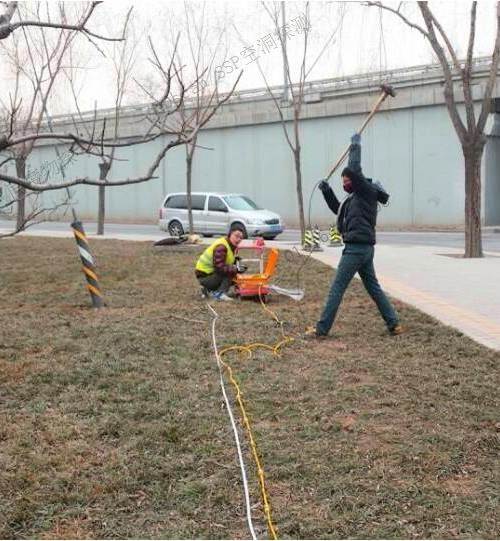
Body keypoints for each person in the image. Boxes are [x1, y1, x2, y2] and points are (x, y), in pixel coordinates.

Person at [307, 133, 403, 338]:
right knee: (374, 288)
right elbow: (337, 209)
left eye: (346, 179)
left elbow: (354, 168)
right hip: (364, 250)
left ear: (356, 180)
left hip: (356, 249)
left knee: (336, 289)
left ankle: (321, 329)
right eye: (343, 180)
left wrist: (355, 146)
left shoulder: (366, 191)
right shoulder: (354, 198)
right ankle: (394, 323)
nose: (345, 182)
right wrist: (327, 190)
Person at [195, 224, 247, 301]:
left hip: (207, 275)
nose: (238, 239)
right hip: (205, 276)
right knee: (231, 272)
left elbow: (224, 261)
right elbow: (220, 267)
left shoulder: (229, 245)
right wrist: (236, 269)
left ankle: (208, 289)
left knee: (233, 273)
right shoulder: (222, 246)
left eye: (241, 238)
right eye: (236, 236)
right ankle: (220, 293)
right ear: (230, 234)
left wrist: (235, 261)